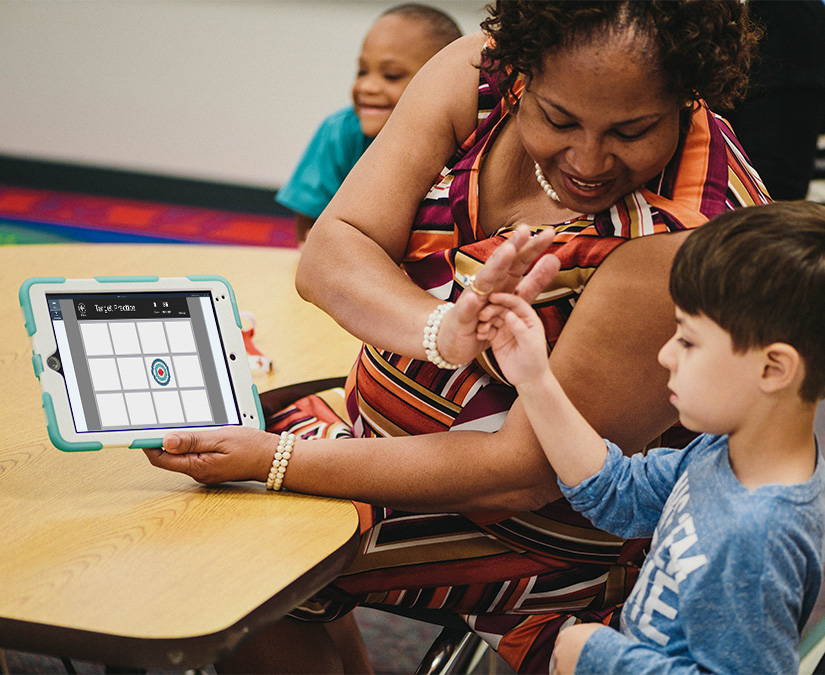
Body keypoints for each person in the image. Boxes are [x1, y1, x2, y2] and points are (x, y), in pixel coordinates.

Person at [146, 2, 769, 672]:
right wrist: (440, 330)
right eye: (558, 119)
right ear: (521, 74)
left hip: (547, 530)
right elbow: (332, 249)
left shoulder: (678, 240)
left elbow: (520, 474)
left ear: (687, 95)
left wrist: (276, 462)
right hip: (387, 447)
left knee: (244, 554)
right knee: (190, 491)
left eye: (631, 130)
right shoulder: (476, 75)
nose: (587, 159)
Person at [476, 201, 825, 674]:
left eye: (688, 339)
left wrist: (599, 656)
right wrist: (535, 380)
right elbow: (622, 493)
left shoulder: (757, 538)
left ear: (773, 368)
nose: (665, 355)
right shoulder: (729, 450)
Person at [275, 4, 462, 242]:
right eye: (362, 72)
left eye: (391, 75)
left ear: (445, 83)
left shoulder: (464, 138)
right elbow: (308, 227)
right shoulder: (339, 133)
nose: (367, 87)